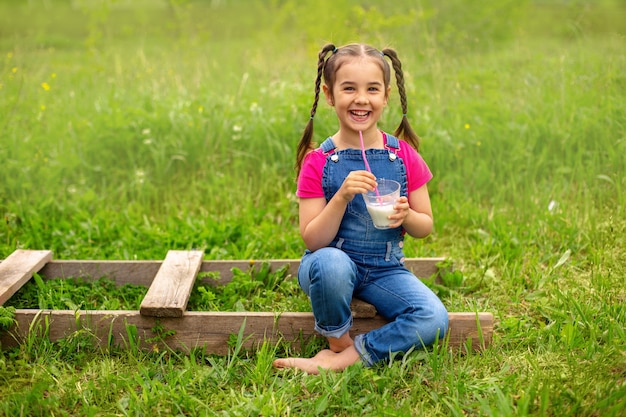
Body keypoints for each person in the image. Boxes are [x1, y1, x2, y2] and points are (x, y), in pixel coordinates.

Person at [272, 43, 448, 374]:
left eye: (372, 89)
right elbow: (313, 241)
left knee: (433, 317)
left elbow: (425, 227)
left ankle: (343, 358)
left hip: (384, 270)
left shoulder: (404, 156)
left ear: (386, 97)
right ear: (329, 94)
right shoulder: (319, 162)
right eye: (349, 88)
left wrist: (406, 215)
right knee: (331, 264)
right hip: (329, 268)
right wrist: (340, 197)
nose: (361, 99)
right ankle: (338, 339)